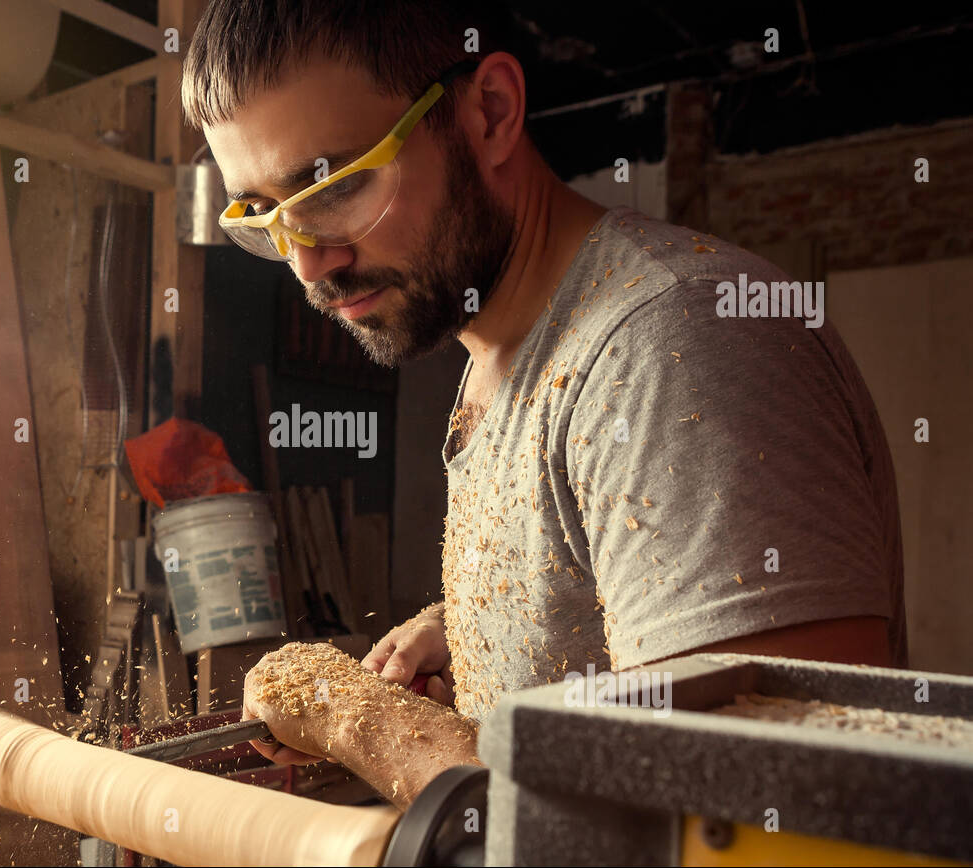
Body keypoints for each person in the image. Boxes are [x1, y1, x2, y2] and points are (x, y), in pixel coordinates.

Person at [182, 0, 905, 807]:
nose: (311, 266)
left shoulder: (677, 341)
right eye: (264, 217)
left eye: (331, 186)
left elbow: (768, 811)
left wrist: (360, 721)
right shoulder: (499, 353)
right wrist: (474, 627)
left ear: (489, 112)